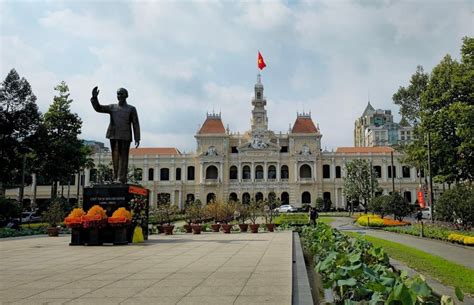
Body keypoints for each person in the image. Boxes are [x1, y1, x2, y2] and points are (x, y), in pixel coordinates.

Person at [91, 86, 140, 184]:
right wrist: (94, 98)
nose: (119, 96)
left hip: (125, 136)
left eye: (121, 93)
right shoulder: (112, 107)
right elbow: (99, 108)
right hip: (113, 135)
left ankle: (121, 179)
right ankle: (116, 178)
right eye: (118, 94)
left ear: (126, 95)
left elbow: (135, 123)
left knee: (124, 158)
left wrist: (137, 137)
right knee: (115, 157)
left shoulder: (131, 109)